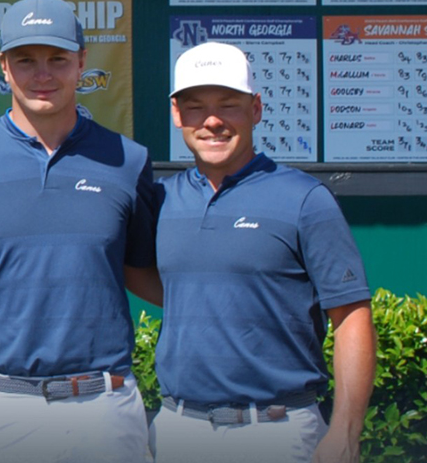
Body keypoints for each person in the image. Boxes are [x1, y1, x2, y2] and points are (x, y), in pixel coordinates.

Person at [0, 0, 159, 463]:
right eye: (26, 60)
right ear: (4, 66)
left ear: (82, 63)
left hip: (104, 408)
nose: (42, 74)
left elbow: (145, 268)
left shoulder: (128, 161)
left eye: (57, 59)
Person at [151, 41, 375, 463]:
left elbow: (351, 316)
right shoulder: (160, 199)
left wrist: (345, 432)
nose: (212, 121)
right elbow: (142, 275)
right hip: (177, 429)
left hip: (278, 432)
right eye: (195, 107)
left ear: (255, 109)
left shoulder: (305, 199)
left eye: (229, 105)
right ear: (177, 114)